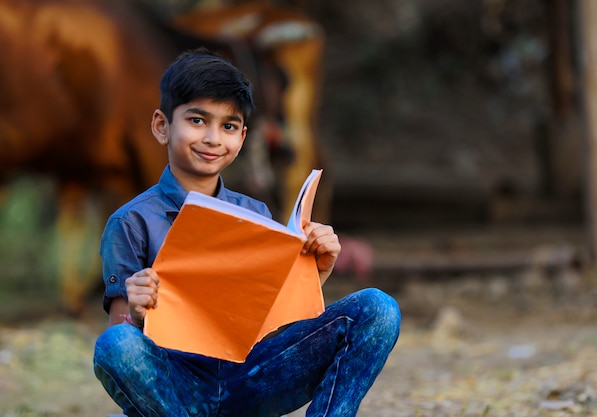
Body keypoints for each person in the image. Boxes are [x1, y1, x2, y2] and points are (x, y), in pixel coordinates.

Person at [93, 48, 401, 417]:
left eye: (228, 126)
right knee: (114, 345)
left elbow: (277, 326)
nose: (212, 138)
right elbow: (122, 338)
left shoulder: (254, 214)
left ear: (242, 138)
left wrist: (316, 272)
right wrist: (139, 312)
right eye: (196, 120)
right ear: (162, 126)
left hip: (251, 377)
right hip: (174, 387)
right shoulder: (130, 222)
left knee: (378, 309)